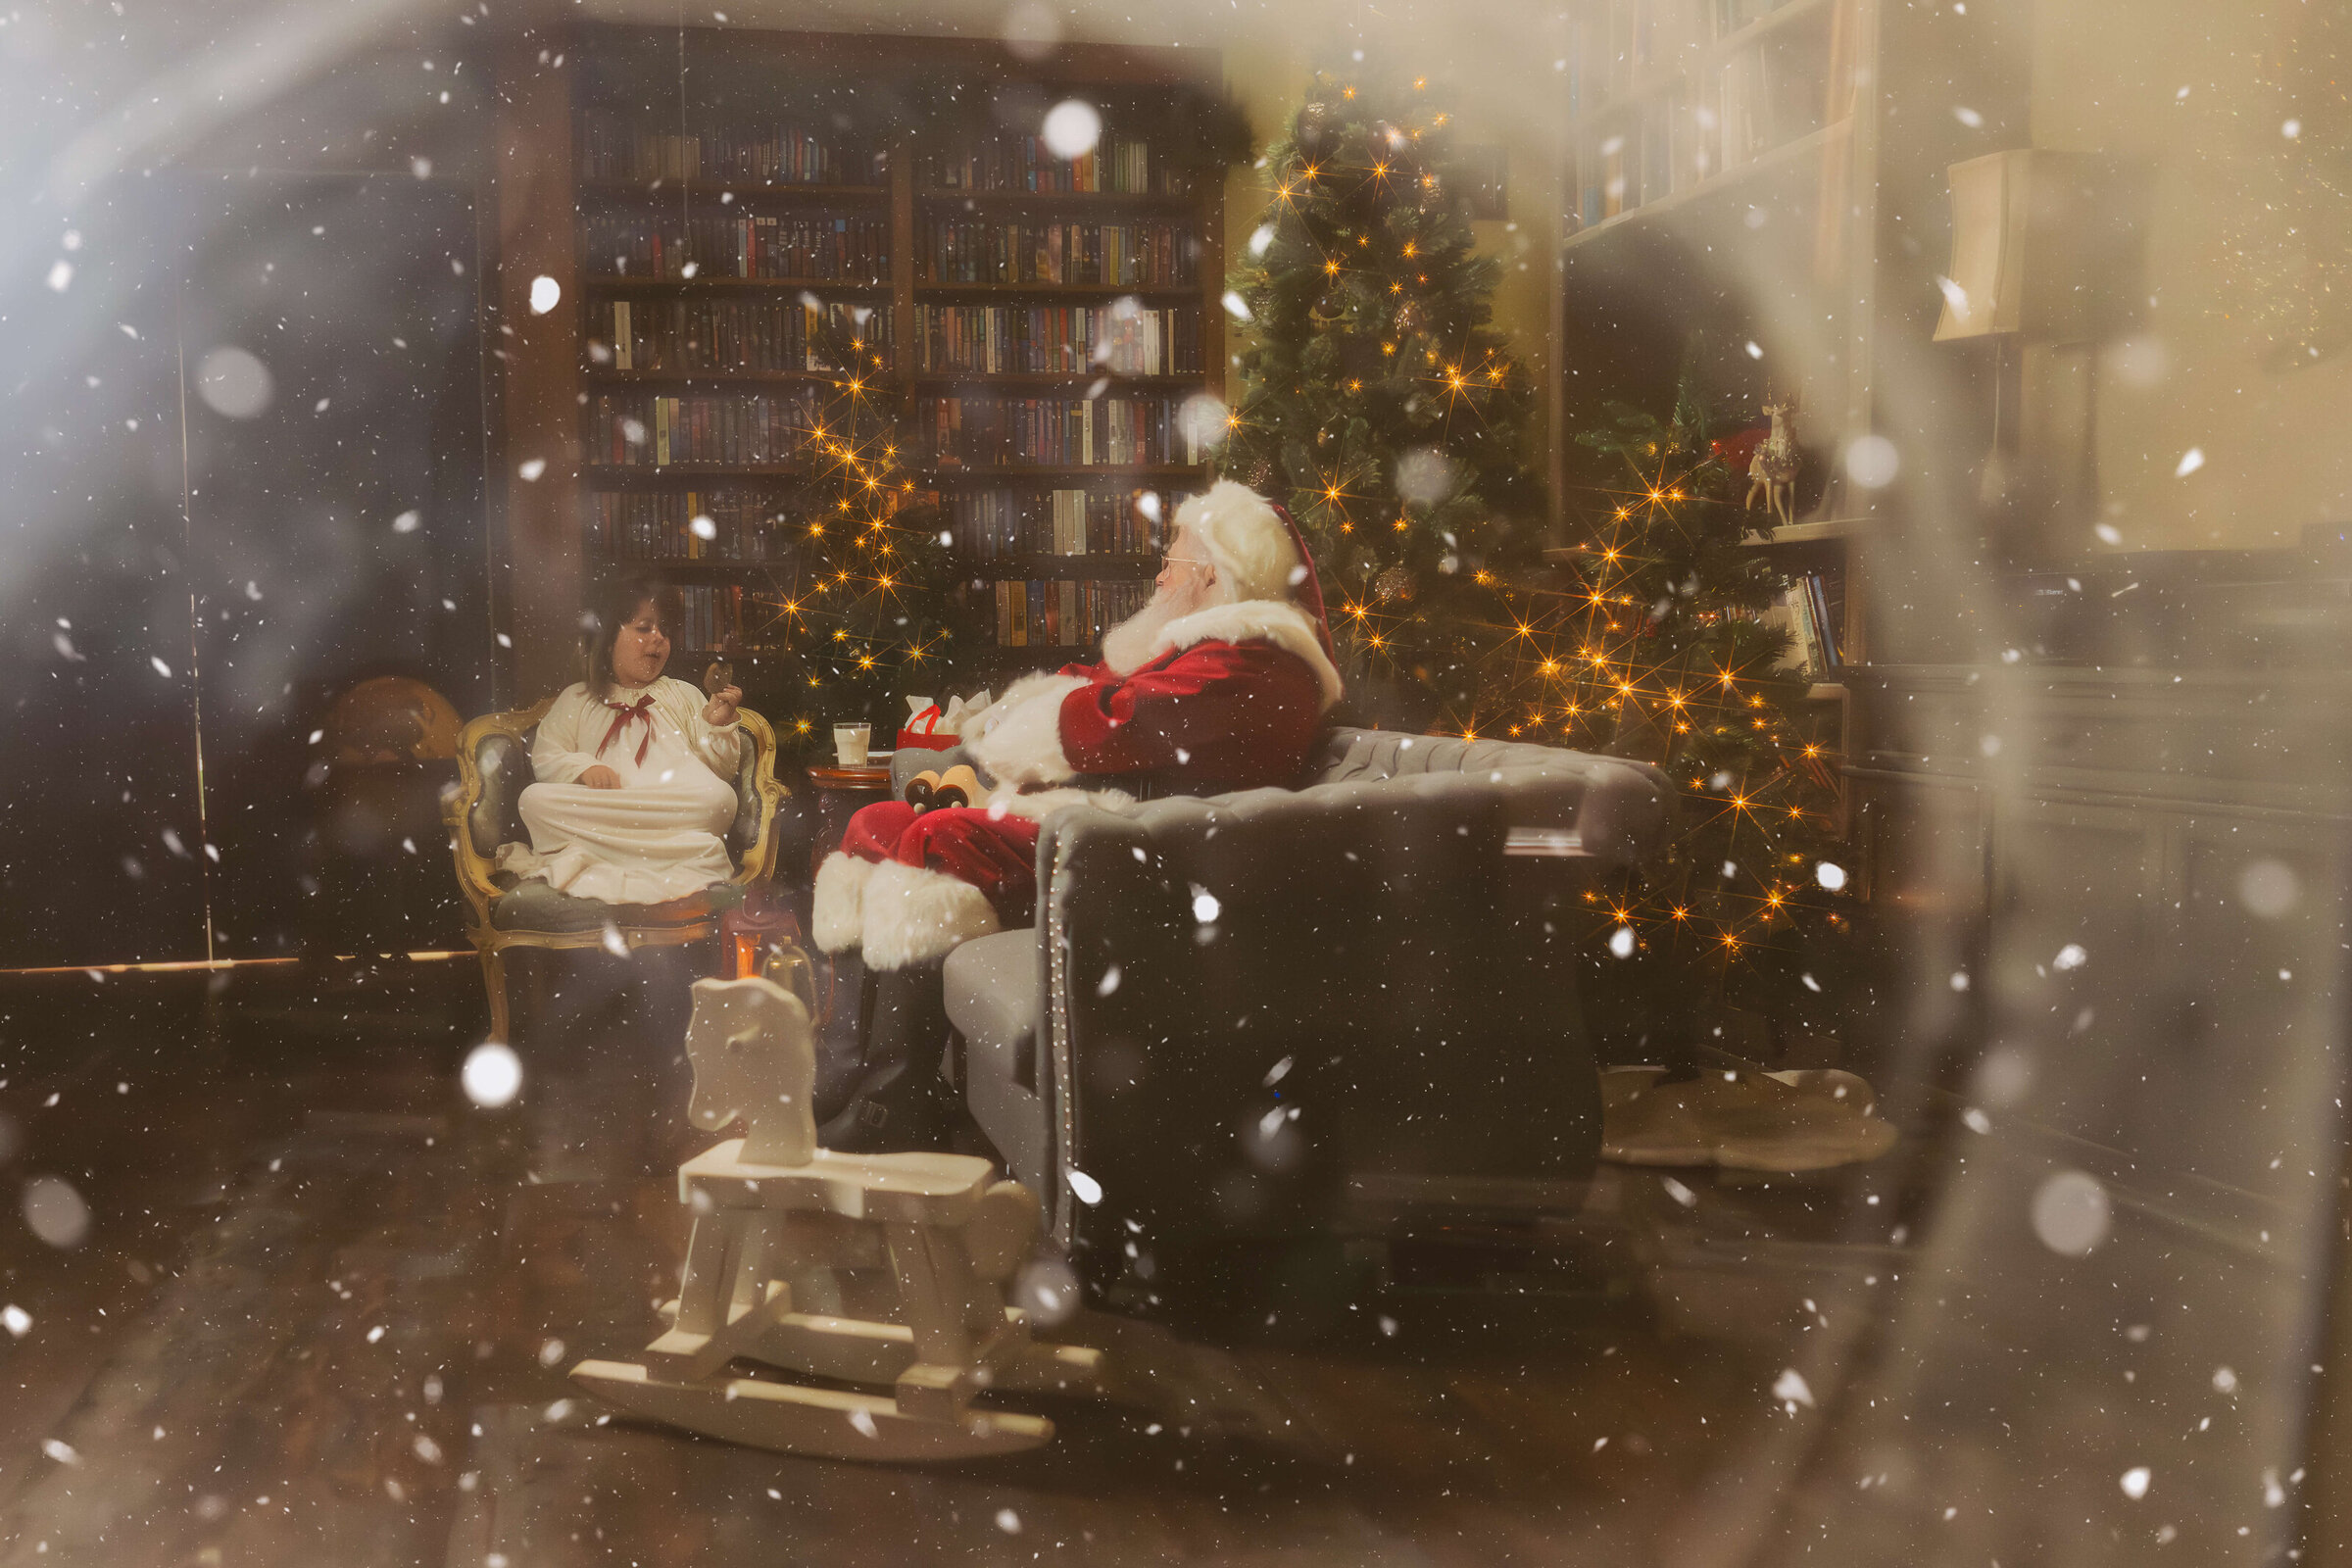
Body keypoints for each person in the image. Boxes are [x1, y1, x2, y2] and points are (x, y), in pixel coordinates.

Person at [808, 478, 1343, 1150]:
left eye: (1173, 554)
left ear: (1210, 571)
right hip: (1113, 824)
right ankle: (854, 1067)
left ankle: (895, 1100)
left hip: (1145, 852)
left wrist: (1027, 727)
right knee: (877, 827)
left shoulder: (1257, 659)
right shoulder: (1208, 652)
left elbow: (1116, 720)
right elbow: (1109, 697)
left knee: (940, 838)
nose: (1160, 569)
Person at [497, 576, 748, 906]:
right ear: (609, 637)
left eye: (665, 631)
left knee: (720, 799)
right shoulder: (578, 698)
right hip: (614, 810)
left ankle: (614, 847)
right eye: (644, 628)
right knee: (533, 799)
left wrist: (717, 726)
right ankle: (657, 850)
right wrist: (584, 767)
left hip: (667, 804)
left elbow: (722, 770)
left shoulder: (683, 694)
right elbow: (545, 756)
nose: (658, 639)